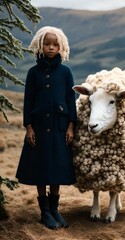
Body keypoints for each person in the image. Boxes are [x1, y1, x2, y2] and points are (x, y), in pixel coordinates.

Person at [16, 26, 77, 229]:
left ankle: (54, 209)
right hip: (39, 129)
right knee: (41, 169)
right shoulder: (33, 73)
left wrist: (71, 126)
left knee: (57, 169)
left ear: (61, 47)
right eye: (47, 44)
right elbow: (28, 101)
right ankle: (44, 212)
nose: (51, 48)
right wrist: (29, 127)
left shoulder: (66, 72)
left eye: (55, 44)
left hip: (60, 129)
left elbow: (70, 100)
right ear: (40, 45)